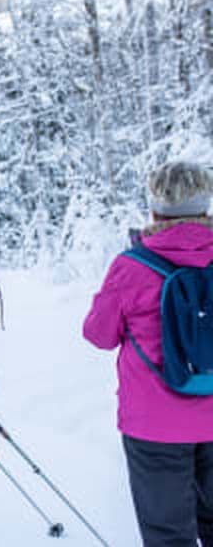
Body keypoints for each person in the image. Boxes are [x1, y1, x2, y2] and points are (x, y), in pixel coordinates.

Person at [84, 161, 213, 546]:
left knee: (167, 535)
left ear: (155, 208)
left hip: (154, 424)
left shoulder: (131, 266)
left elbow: (99, 335)